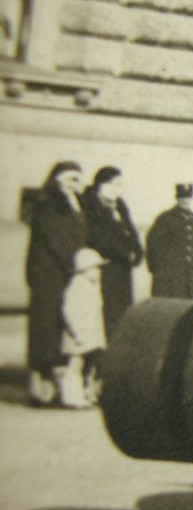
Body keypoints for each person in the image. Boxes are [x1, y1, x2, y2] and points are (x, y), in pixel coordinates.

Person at [25, 161, 88, 406]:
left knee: (59, 328)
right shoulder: (48, 206)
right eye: (73, 179)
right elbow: (58, 240)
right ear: (60, 180)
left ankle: (55, 387)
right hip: (48, 276)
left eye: (79, 180)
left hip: (63, 274)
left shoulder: (72, 204)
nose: (77, 185)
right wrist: (76, 262)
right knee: (46, 329)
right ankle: (40, 387)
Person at [83, 166, 144, 338]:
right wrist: (125, 253)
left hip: (122, 270)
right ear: (101, 184)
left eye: (120, 185)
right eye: (113, 184)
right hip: (103, 268)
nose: (117, 189)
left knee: (122, 314)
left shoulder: (120, 205)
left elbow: (131, 231)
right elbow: (97, 237)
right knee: (104, 314)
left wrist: (137, 252)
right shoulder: (89, 204)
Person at [56, 248, 108, 408]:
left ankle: (85, 392)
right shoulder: (77, 287)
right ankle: (71, 395)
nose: (98, 272)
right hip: (79, 335)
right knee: (75, 365)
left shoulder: (91, 286)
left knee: (87, 365)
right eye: (95, 268)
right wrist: (78, 333)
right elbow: (69, 311)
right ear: (84, 270)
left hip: (90, 334)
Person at [146, 183, 193, 298]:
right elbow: (152, 243)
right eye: (182, 197)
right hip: (170, 278)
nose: (185, 200)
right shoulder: (165, 218)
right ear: (177, 198)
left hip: (189, 278)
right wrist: (157, 270)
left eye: (188, 197)